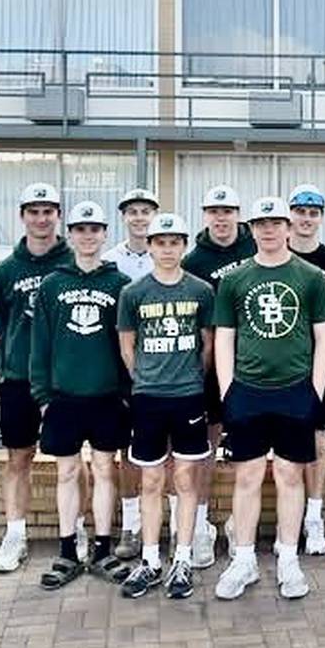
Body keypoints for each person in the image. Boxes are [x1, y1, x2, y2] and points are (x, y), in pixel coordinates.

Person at [212, 196, 325, 600]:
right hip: (247, 391)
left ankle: (288, 558)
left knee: (289, 475)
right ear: (252, 228)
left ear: (288, 227)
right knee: (247, 477)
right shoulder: (234, 279)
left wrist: (314, 392)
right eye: (260, 222)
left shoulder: (312, 276)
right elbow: (225, 338)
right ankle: (244, 560)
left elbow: (324, 339)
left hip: (295, 391)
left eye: (275, 222)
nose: (268, 229)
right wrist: (228, 390)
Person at [28, 201, 131, 590]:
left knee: (106, 471)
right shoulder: (53, 284)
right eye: (80, 230)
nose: (88, 237)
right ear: (69, 235)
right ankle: (68, 549)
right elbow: (41, 344)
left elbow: (125, 346)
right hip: (63, 397)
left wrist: (125, 393)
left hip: (106, 396)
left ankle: (103, 548)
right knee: (67, 472)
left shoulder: (119, 284)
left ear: (105, 235)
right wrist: (43, 395)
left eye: (95, 230)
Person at [116, 212, 215, 600]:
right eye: (161, 242)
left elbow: (206, 344)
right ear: (151, 246)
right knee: (152, 480)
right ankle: (151, 559)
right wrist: (146, 379)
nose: (168, 249)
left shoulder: (201, 291)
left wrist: (191, 377)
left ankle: (184, 558)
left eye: (175, 242)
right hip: (148, 398)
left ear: (183, 246)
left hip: (188, 395)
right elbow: (127, 346)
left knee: (187, 479)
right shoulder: (134, 293)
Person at [0, 182, 72, 574]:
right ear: (23, 216)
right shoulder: (5, 272)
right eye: (34, 211)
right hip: (20, 378)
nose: (41, 218)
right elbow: (0, 325)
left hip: (64, 379)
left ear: (58, 215)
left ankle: (77, 530)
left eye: (48, 211)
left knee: (71, 461)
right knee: (19, 457)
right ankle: (15, 534)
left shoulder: (74, 262)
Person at [181, 184, 257, 562]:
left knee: (249, 449)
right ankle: (201, 523)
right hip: (210, 369)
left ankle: (237, 520)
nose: (221, 218)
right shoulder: (192, 261)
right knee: (206, 450)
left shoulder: (255, 250)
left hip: (254, 365)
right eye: (214, 211)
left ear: (238, 214)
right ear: (205, 215)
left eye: (227, 211)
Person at [287, 184, 325, 557]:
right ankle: (286, 521)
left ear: (321, 217)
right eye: (300, 212)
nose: (306, 219)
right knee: (280, 446)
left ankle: (314, 517)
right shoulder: (273, 251)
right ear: (290, 215)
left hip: (317, 363)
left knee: (318, 444)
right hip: (275, 366)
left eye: (313, 213)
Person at [104, 186, 160, 563]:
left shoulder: (172, 255)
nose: (139, 218)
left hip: (164, 369)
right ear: (124, 217)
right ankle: (131, 525)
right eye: (133, 212)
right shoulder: (109, 262)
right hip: (122, 370)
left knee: (164, 455)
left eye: (145, 211)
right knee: (126, 453)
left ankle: (164, 525)